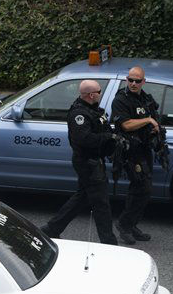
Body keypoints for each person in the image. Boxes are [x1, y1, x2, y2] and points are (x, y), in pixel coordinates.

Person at [40, 80, 120, 245]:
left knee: (82, 197)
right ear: (91, 95)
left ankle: (52, 229)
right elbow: (84, 139)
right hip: (87, 163)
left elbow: (102, 128)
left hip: (95, 161)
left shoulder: (94, 110)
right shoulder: (80, 114)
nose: (100, 93)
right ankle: (109, 243)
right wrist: (108, 137)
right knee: (101, 203)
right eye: (99, 91)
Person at [111, 66, 159, 245]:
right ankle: (124, 225)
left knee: (142, 189)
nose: (133, 83)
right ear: (126, 80)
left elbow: (155, 118)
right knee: (142, 187)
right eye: (130, 80)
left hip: (145, 149)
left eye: (137, 81)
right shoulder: (121, 100)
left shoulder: (146, 99)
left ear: (143, 82)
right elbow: (126, 125)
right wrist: (147, 120)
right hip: (130, 150)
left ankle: (131, 225)